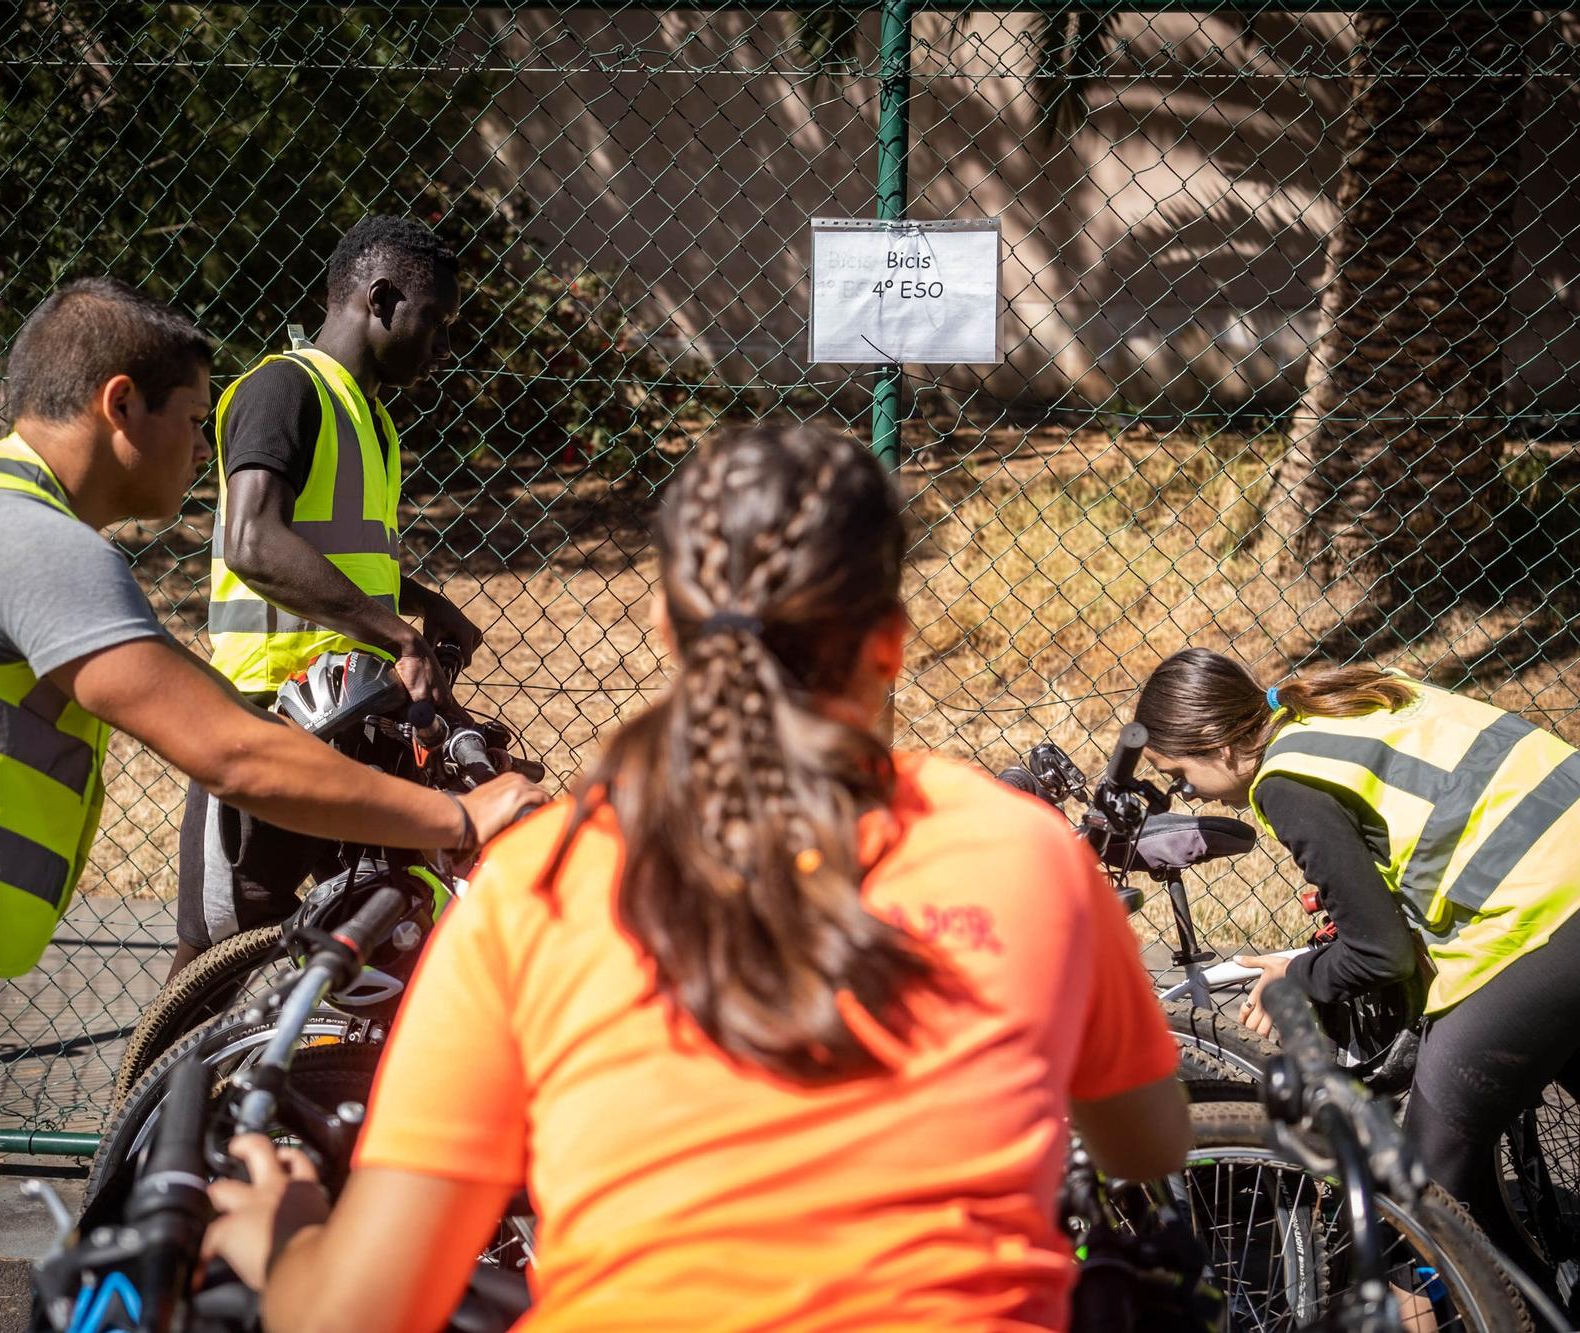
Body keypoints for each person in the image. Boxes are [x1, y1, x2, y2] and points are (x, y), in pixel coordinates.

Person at [203, 422, 1194, 1331]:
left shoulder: (537, 887)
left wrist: (282, 1235)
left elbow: (354, 1316)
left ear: (662, 628)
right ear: (888, 642)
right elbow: (1147, 1145)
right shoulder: (1024, 853)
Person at [0, 278, 543, 1333]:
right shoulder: (24, 540)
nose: (204, 452)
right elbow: (228, 752)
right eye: (193, 422)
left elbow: (222, 707)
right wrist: (459, 822)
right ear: (119, 404)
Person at [1133, 647, 1580, 1327]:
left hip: (1569, 918)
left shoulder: (1284, 779)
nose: (1190, 794)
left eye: (1180, 776)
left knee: (1415, 1193)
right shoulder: (1357, 699)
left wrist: (1296, 980)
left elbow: (1378, 953)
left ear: (1215, 742)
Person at [175, 215, 483, 973]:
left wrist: (415, 600)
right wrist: (400, 638)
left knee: (380, 930)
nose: (445, 345)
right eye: (435, 320)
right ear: (379, 301)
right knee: (223, 952)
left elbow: (333, 552)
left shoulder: (369, 416)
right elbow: (254, 541)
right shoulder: (286, 389)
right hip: (269, 719)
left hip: (354, 714)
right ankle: (159, 1089)